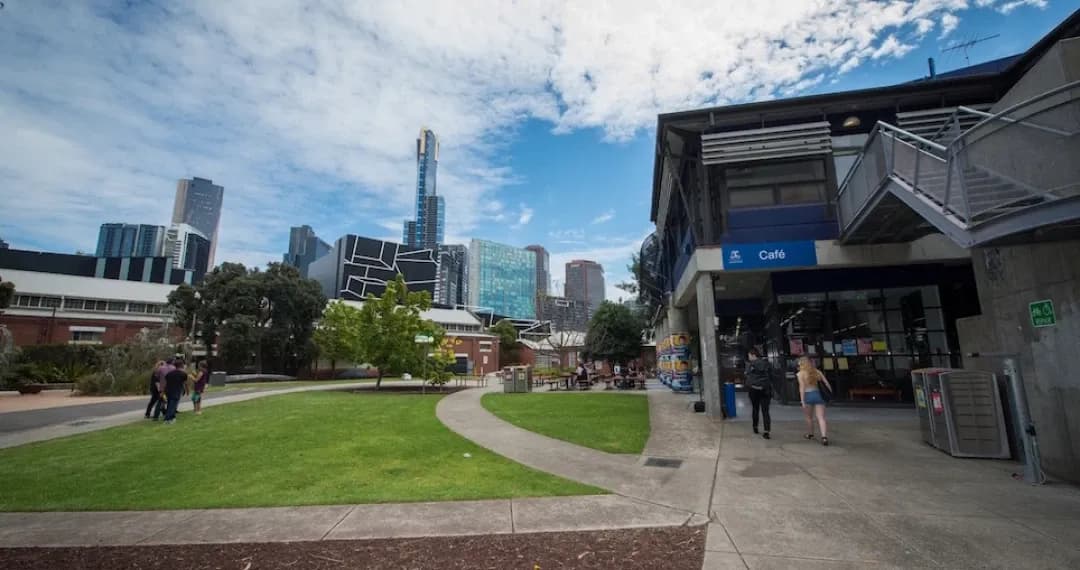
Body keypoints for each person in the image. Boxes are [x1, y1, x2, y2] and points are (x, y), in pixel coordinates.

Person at [798, 356, 833, 446]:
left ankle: (810, 434)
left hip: (808, 395)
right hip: (818, 395)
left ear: (802, 364)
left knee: (809, 418)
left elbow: (801, 388)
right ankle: (824, 437)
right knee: (821, 417)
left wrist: (802, 401)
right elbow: (826, 383)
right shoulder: (817, 372)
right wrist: (829, 393)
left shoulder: (800, 374)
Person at [744, 348, 773, 439]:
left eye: (749, 355)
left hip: (754, 389)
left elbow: (747, 374)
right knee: (765, 411)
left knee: (755, 408)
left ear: (753, 355)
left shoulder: (750, 364)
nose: (748, 357)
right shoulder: (766, 363)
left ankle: (755, 427)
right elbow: (771, 375)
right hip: (765, 389)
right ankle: (766, 431)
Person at [162, 360, 189, 425]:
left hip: (168, 391)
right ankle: (168, 419)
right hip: (176, 391)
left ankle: (172, 417)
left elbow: (165, 383)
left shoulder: (169, 374)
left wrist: (163, 392)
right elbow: (185, 383)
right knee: (173, 405)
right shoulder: (183, 374)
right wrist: (187, 390)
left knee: (169, 404)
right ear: (181, 365)